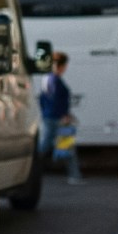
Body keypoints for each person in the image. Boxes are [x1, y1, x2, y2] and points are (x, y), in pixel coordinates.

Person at [38, 51, 82, 184]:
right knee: (66, 145)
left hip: (50, 116)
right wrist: (64, 115)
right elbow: (55, 100)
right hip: (57, 117)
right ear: (61, 66)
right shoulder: (55, 80)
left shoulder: (47, 78)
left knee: (51, 145)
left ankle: (74, 174)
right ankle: (74, 175)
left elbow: (43, 99)